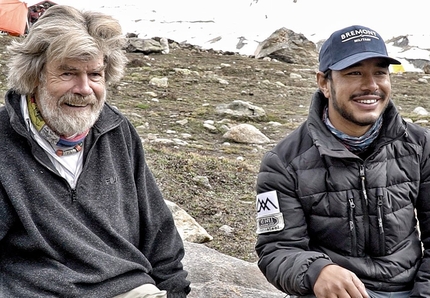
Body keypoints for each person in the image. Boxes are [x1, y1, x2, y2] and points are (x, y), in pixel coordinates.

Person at [0, 5, 190, 298]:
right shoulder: (4, 141)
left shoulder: (116, 131)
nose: (84, 88)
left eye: (95, 74)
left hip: (129, 289)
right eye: (68, 73)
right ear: (35, 75)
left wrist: (175, 292)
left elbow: (159, 236)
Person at [255, 24, 430, 297]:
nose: (370, 85)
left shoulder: (420, 146)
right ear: (324, 83)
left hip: (410, 289)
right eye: (354, 73)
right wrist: (316, 271)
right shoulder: (283, 162)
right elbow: (276, 249)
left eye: (380, 73)